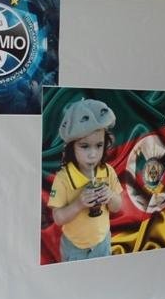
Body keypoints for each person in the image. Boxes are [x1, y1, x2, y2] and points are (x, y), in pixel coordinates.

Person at [48, 99, 124, 261]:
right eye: (84, 146)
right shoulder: (63, 178)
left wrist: (110, 196)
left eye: (99, 145)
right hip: (74, 248)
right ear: (71, 147)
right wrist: (78, 204)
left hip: (102, 243)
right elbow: (58, 218)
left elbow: (118, 207)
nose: (93, 154)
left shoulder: (108, 171)